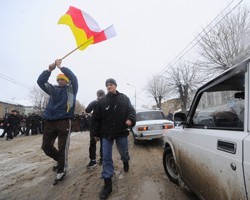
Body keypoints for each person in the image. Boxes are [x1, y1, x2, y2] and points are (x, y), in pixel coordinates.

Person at [92, 78, 136, 199]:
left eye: (111, 84)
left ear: (115, 86)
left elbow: (131, 111)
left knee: (123, 151)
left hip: (121, 131)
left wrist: (130, 119)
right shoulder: (102, 102)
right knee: (106, 157)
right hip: (106, 133)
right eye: (107, 85)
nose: (108, 86)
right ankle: (107, 184)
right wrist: (95, 133)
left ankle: (125, 160)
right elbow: (96, 118)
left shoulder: (124, 98)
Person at [37, 59, 78, 185]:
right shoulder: (52, 89)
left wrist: (61, 67)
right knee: (46, 147)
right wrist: (49, 70)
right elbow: (40, 82)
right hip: (50, 120)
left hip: (64, 121)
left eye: (63, 79)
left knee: (62, 148)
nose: (60, 81)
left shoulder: (71, 90)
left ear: (66, 81)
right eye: (59, 79)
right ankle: (59, 160)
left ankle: (62, 170)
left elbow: (74, 79)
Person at [85, 89, 105, 168]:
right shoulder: (107, 102)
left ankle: (93, 160)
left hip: (95, 126)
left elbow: (87, 110)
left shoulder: (95, 102)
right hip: (104, 126)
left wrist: (95, 103)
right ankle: (103, 158)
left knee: (93, 143)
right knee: (103, 143)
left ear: (97, 95)